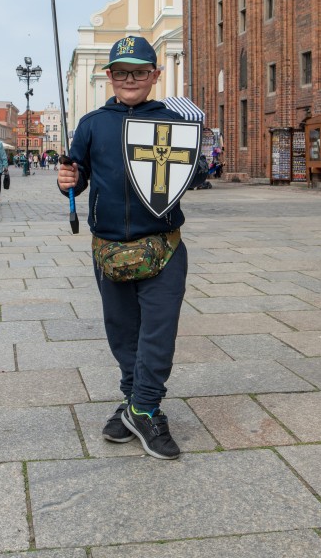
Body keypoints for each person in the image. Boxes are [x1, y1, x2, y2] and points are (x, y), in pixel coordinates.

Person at [57, 35, 191, 460]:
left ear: (154, 75)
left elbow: (187, 173)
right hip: (109, 247)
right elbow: (77, 178)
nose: (129, 80)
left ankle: (145, 405)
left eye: (138, 72)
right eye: (120, 72)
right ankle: (137, 404)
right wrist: (68, 183)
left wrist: (200, 158)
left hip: (163, 247)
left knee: (159, 333)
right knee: (123, 334)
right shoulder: (92, 123)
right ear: (109, 76)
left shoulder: (171, 120)